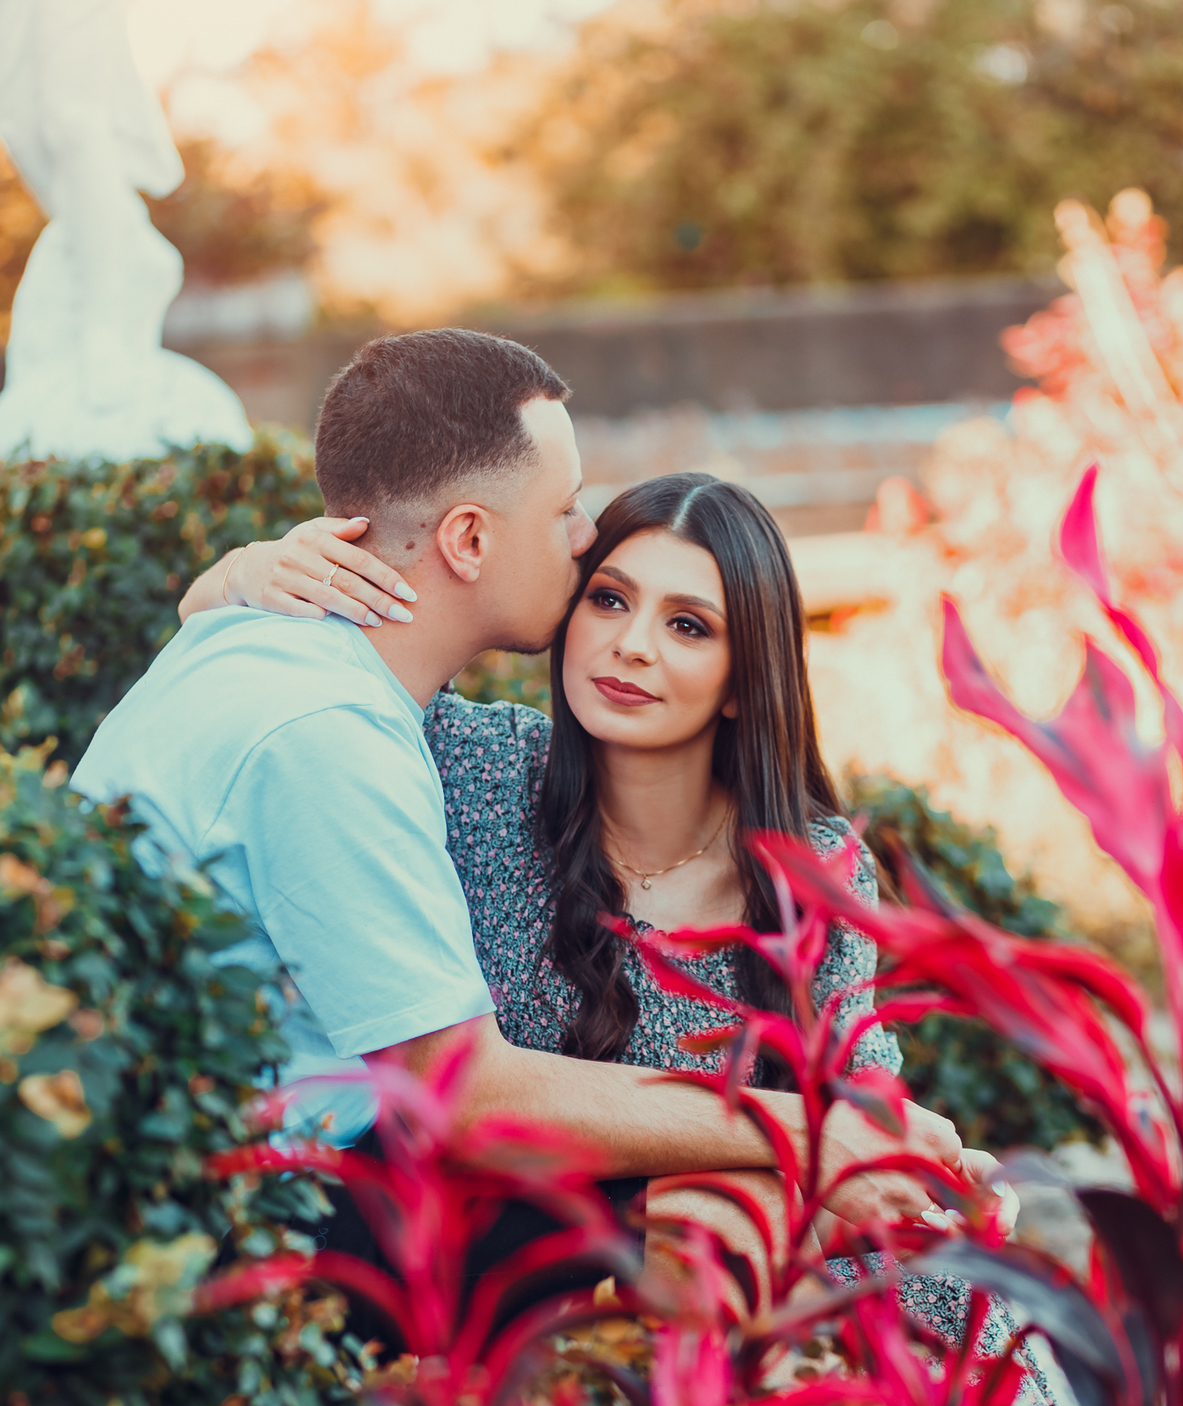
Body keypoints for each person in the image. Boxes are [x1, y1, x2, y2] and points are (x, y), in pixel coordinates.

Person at [171, 363, 1013, 1308]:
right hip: (549, 1260)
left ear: (744, 680)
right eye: (609, 599)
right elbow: (298, 664)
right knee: (719, 1217)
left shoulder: (815, 864)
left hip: (774, 1273)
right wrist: (242, 570)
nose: (633, 645)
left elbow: (862, 1110)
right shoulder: (467, 764)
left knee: (917, 1300)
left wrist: (926, 1170)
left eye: (689, 625)